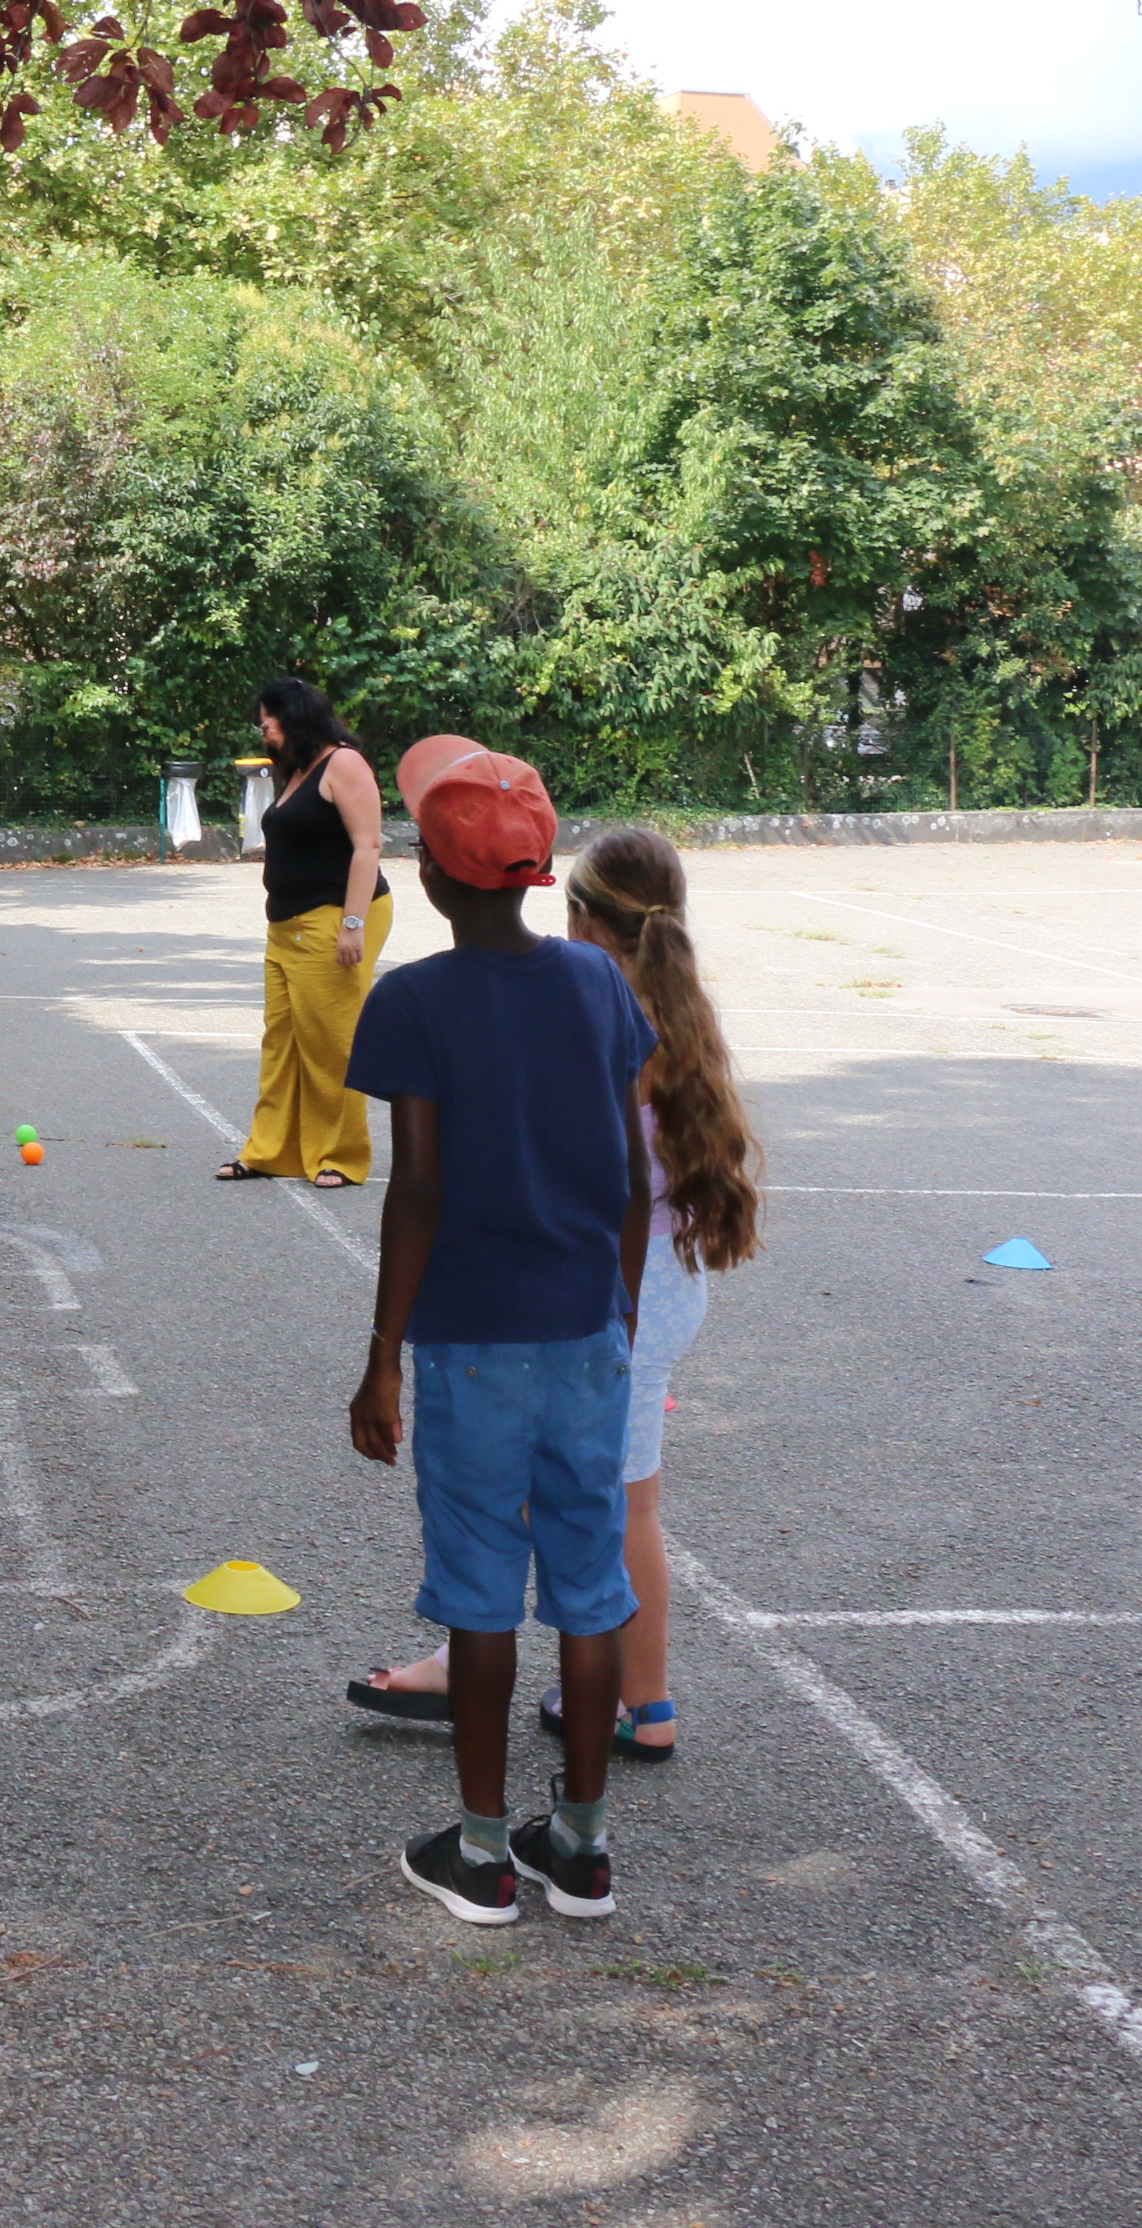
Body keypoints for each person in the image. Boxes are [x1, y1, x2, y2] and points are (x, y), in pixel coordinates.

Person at [353, 828, 762, 1764]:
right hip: (651, 1280)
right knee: (578, 1491)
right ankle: (524, 1669)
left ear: (579, 916)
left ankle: (640, 1703)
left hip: (616, 1285)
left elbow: (581, 1165)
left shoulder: (601, 1011)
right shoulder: (667, 1008)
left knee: (609, 1507)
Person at [341, 736, 653, 1926]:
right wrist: (615, 1309)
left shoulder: (414, 998)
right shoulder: (596, 983)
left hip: (472, 1342)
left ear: (430, 872)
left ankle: (480, 1851)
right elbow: (628, 1172)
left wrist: (383, 1353)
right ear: (531, 870)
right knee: (589, 1584)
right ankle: (580, 1842)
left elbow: (414, 1187)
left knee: (481, 1596)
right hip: (585, 1334)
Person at [217, 678, 391, 1189]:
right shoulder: (293, 770)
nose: (262, 727)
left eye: (268, 718)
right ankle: (270, 1151)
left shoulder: (345, 764)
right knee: (283, 1042)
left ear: (296, 716)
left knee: (333, 1042)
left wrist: (352, 925)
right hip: (287, 925)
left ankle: (342, 1155)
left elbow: (368, 847)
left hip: (338, 917)